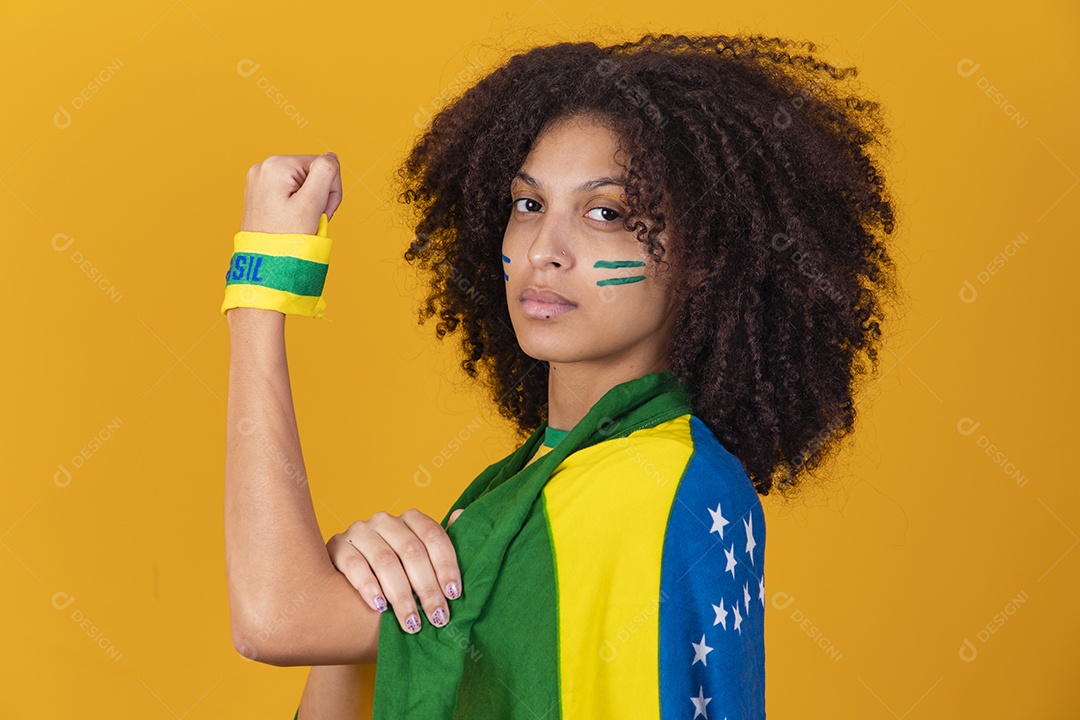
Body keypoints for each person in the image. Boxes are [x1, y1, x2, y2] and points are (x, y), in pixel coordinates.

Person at [222, 32, 900, 719]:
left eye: (606, 214)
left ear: (703, 256)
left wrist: (261, 285)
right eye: (528, 204)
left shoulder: (640, 489)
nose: (545, 250)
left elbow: (273, 621)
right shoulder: (541, 481)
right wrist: (358, 592)